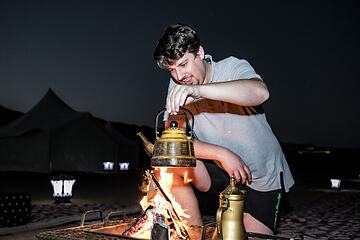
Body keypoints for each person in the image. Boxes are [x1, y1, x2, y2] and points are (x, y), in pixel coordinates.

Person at [153, 23, 294, 235]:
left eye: (183, 64)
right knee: (170, 164)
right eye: (172, 70)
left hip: (260, 175)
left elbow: (260, 92)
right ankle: (192, 234)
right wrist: (222, 154)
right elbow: (173, 143)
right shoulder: (178, 84)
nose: (179, 76)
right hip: (219, 169)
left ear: (199, 52)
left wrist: (199, 91)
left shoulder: (231, 67)